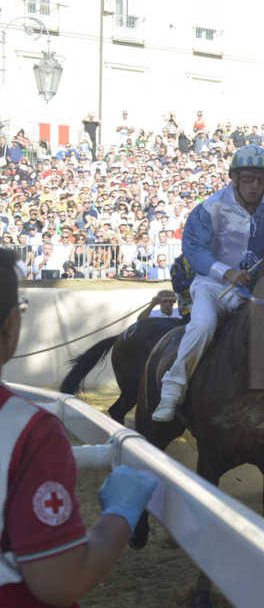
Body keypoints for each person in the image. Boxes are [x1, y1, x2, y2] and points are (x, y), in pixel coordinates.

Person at [0, 248, 159, 607]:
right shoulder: (32, 432)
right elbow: (61, 581)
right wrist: (120, 512)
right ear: (12, 325)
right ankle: (173, 389)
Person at [151, 145, 264, 428]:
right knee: (202, 326)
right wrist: (226, 272)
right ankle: (172, 389)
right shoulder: (209, 208)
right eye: (249, 179)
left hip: (254, 293)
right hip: (212, 287)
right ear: (234, 178)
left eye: (261, 180)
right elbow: (193, 249)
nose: (255, 186)